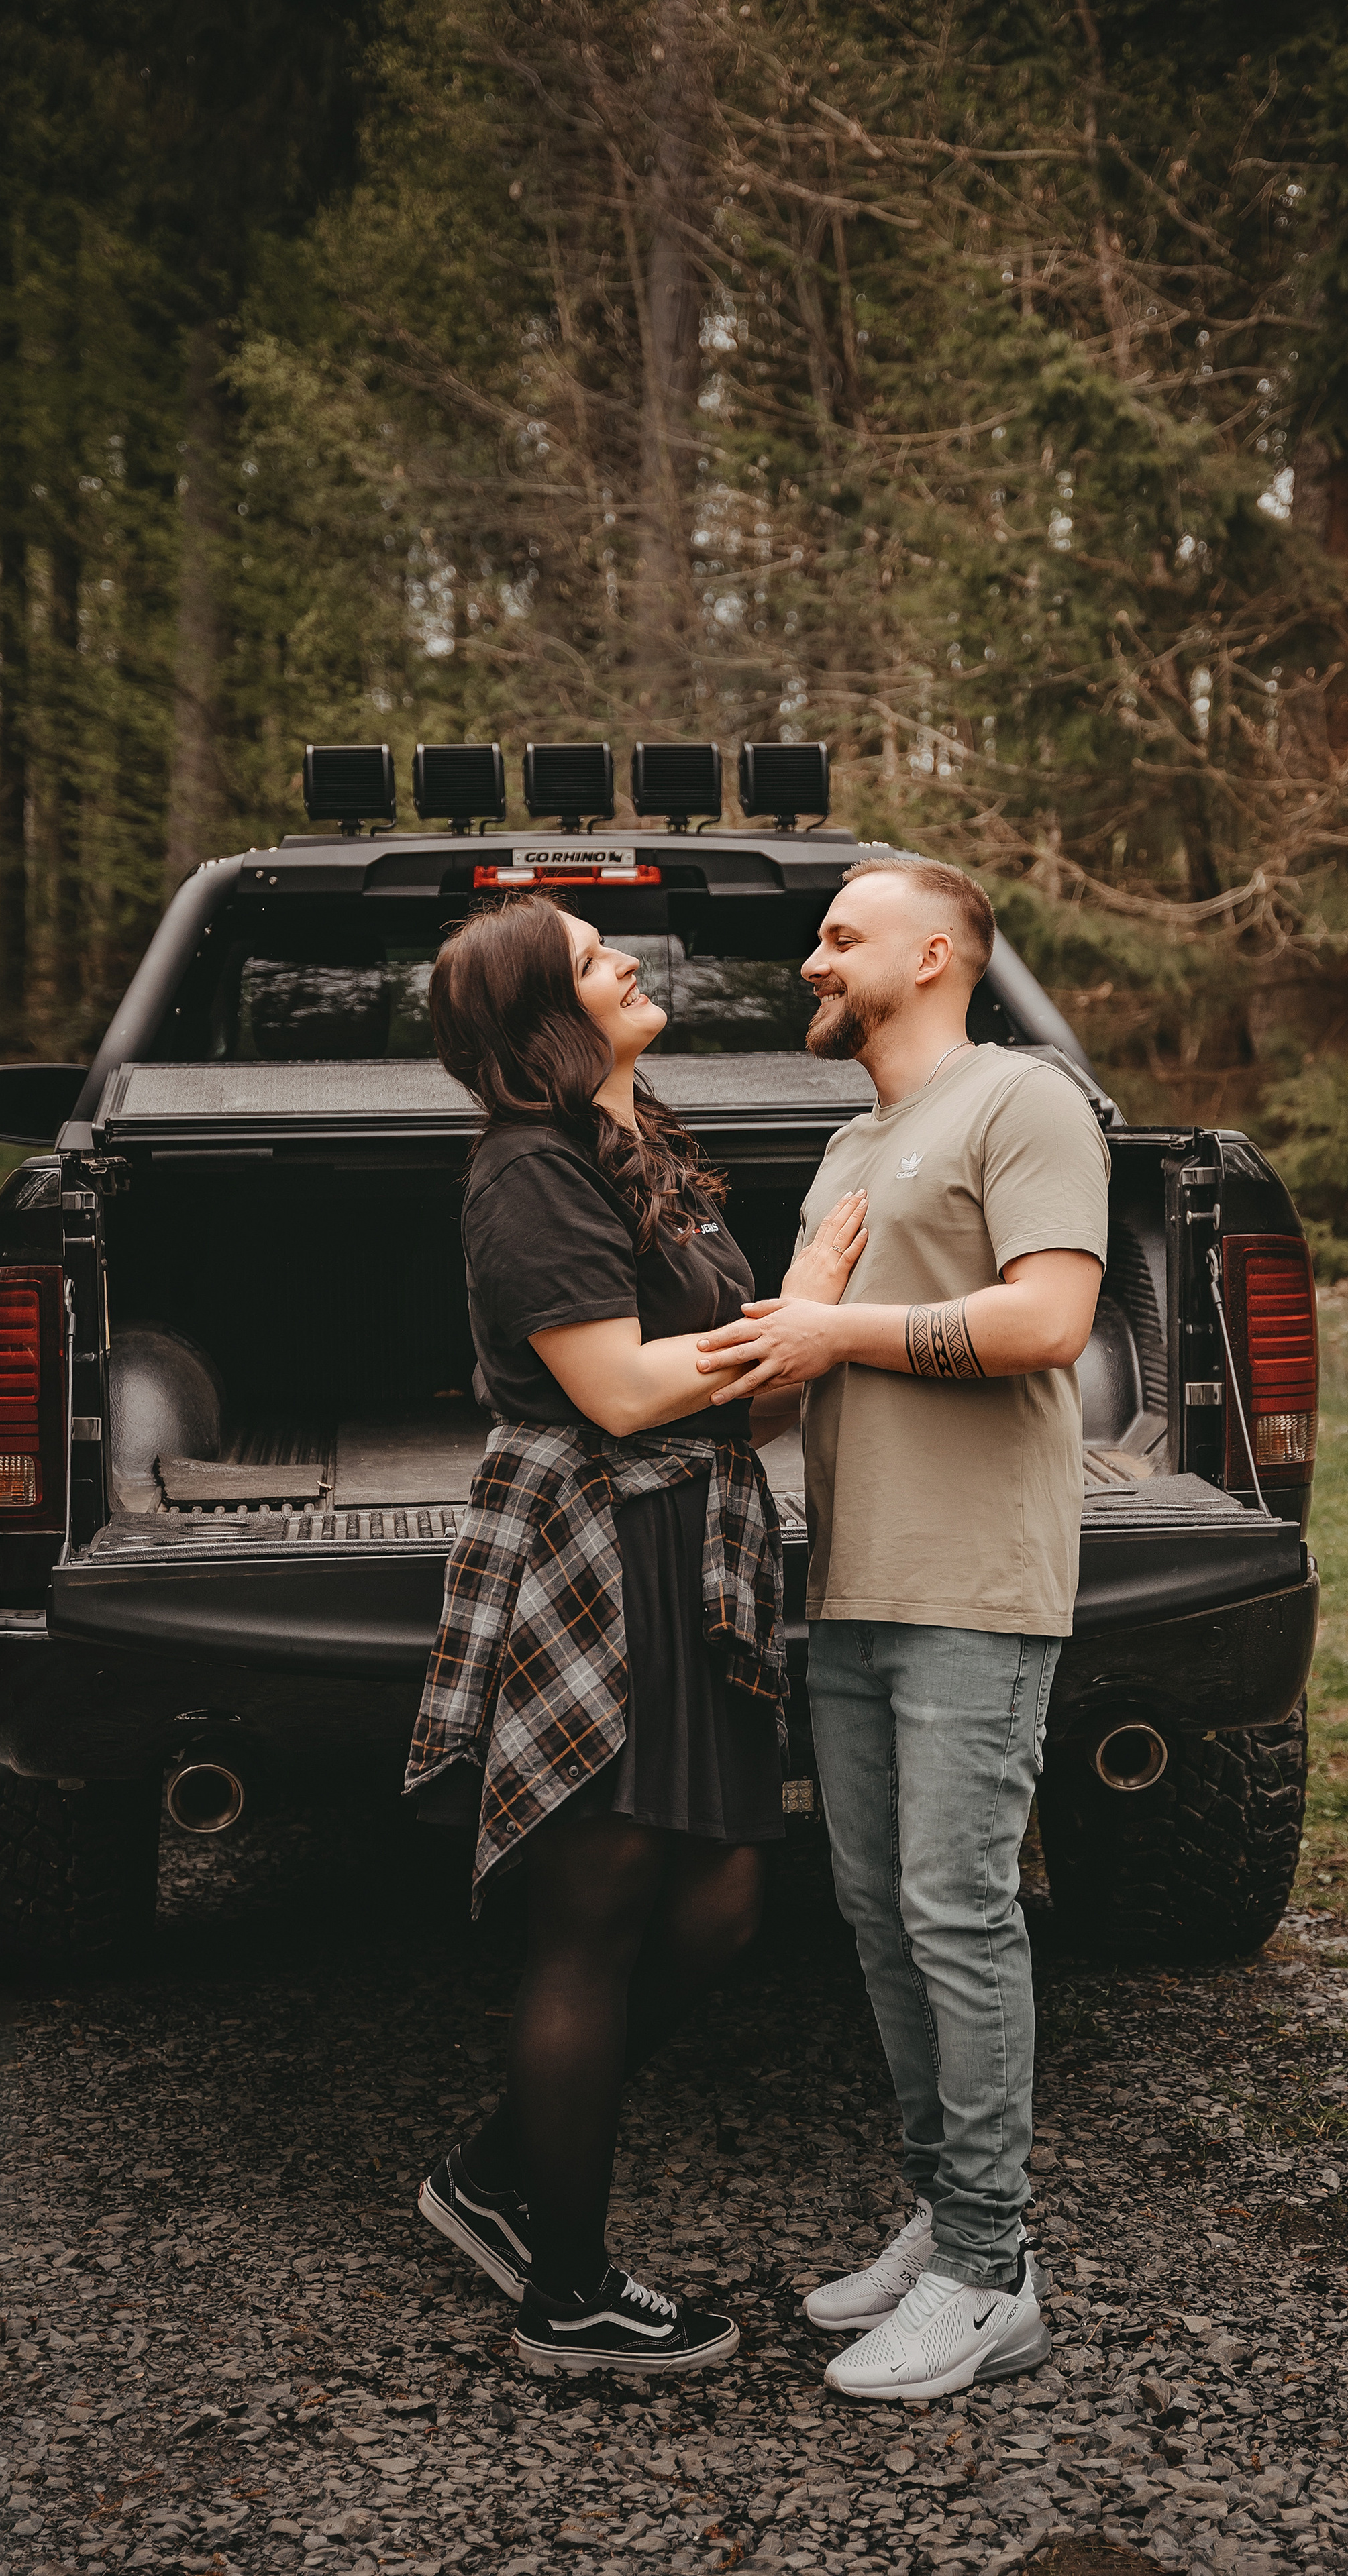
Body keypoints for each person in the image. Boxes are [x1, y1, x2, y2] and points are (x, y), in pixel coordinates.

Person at [403, 892, 870, 2378]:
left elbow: (737, 1384)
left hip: (696, 1535)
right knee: (594, 1911)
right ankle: (570, 2292)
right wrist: (799, 1309)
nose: (633, 971)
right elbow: (614, 1388)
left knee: (724, 1899)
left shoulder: (631, 1144)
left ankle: (491, 2176)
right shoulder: (526, 1172)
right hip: (604, 1549)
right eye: (601, 964)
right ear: (551, 1014)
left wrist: (803, 1341)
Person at [694, 856, 1109, 2400]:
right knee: (880, 1919)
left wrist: (833, 1324)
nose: (813, 959)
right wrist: (774, 1345)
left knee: (957, 1911)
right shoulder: (853, 1140)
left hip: (975, 1584)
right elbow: (817, 1368)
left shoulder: (1022, 1102)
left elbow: (1045, 1320)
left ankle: (993, 2273)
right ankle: (942, 2218)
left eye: (840, 935)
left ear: (933, 956)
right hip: (851, 1581)